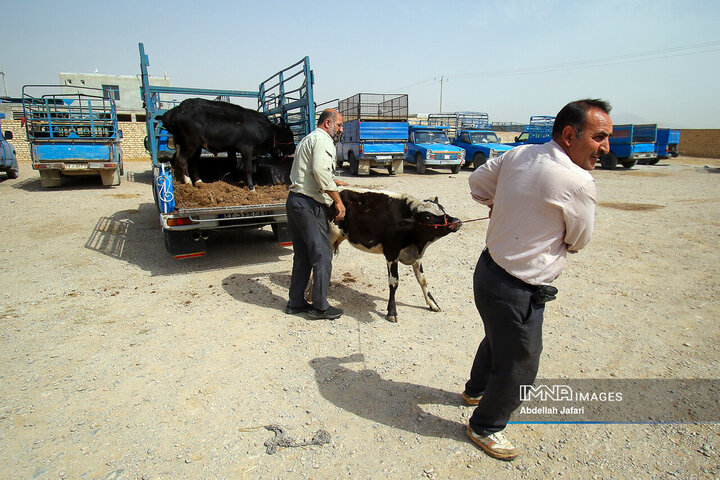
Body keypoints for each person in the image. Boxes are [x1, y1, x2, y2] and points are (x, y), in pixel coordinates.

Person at [463, 99, 613, 460]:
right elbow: (578, 240)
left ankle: (475, 390)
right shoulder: (578, 182)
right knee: (521, 362)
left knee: (498, 336)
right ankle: (485, 426)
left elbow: (477, 182)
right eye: (599, 137)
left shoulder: (519, 154)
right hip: (518, 288)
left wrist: (501, 205)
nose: (605, 147)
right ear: (568, 135)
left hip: (488, 273)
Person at [285, 108, 348, 320]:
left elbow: (310, 171)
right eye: (339, 125)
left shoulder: (307, 139)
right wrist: (338, 201)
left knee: (302, 255)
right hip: (309, 204)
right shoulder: (323, 140)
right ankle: (320, 306)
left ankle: (295, 303)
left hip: (295, 201)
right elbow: (321, 172)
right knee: (322, 254)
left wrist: (333, 181)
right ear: (328, 124)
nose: (341, 129)